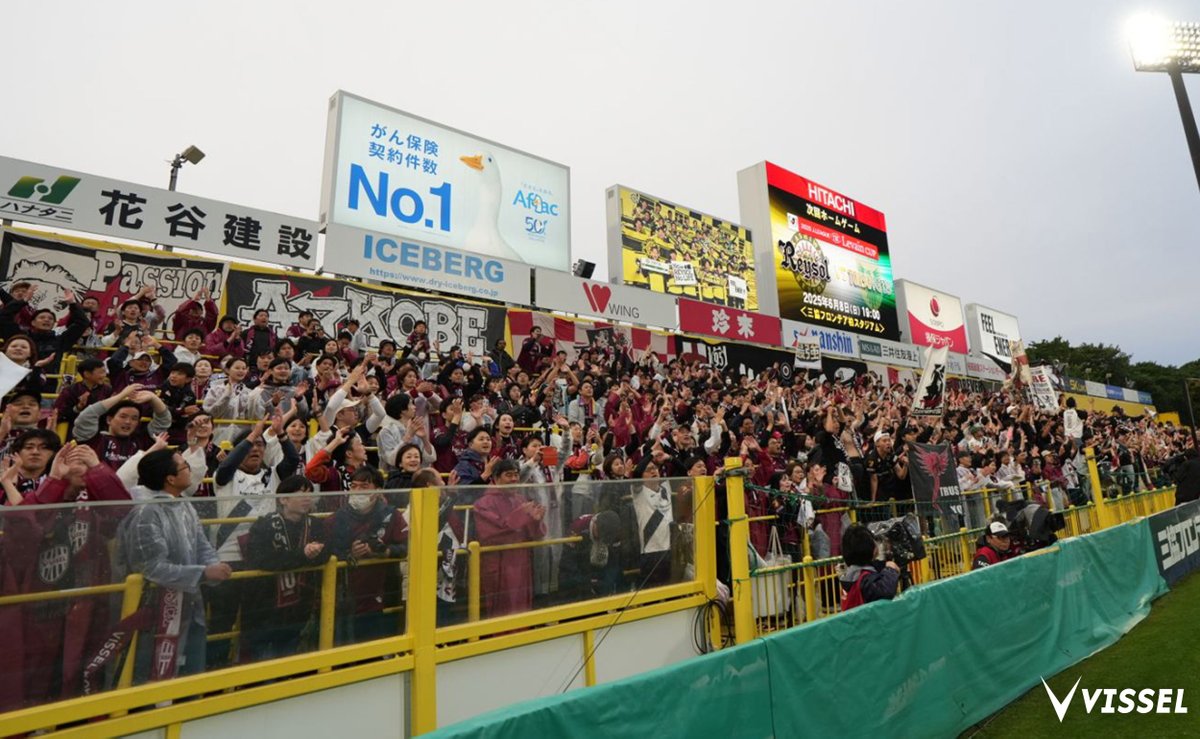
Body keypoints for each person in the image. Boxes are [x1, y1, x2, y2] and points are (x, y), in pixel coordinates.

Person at [121, 449, 231, 682]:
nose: (190, 470)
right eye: (185, 466)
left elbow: (201, 544)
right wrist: (203, 573)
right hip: (158, 611)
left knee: (191, 675)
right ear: (170, 478)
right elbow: (151, 567)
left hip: (190, 604)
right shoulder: (146, 513)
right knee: (156, 676)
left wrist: (214, 565)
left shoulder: (184, 505)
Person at [243, 475, 329, 661]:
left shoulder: (315, 524)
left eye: (310, 493)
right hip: (265, 609)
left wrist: (315, 554)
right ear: (283, 499)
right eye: (301, 493)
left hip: (299, 609)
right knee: (263, 664)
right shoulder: (264, 525)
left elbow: (327, 554)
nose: (307, 498)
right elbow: (261, 560)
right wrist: (302, 555)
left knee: (290, 660)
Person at [324, 466, 408, 644]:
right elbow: (325, 551)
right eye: (353, 486)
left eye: (364, 486)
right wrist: (349, 554)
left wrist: (383, 552)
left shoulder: (391, 515)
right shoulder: (337, 518)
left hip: (383, 594)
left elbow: (406, 546)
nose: (357, 491)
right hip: (345, 598)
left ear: (378, 490)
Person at [474, 459, 546, 617]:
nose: (514, 479)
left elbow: (534, 534)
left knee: (521, 607)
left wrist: (536, 520)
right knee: (500, 608)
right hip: (499, 562)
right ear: (496, 477)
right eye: (508, 475)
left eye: (516, 475)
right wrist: (522, 515)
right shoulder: (483, 503)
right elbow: (491, 534)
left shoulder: (520, 500)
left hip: (521, 561)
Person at [838, 523, 900, 611]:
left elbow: (873, 565)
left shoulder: (850, 576)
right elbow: (885, 591)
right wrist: (891, 570)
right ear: (871, 548)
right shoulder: (865, 580)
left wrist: (884, 565)